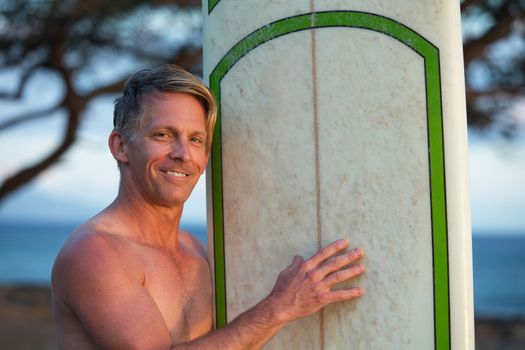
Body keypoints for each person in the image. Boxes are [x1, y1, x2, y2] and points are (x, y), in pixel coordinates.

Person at [51, 64, 366, 349]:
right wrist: (279, 307)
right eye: (163, 135)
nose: (183, 154)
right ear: (120, 146)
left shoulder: (196, 250)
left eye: (196, 140)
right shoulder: (95, 253)